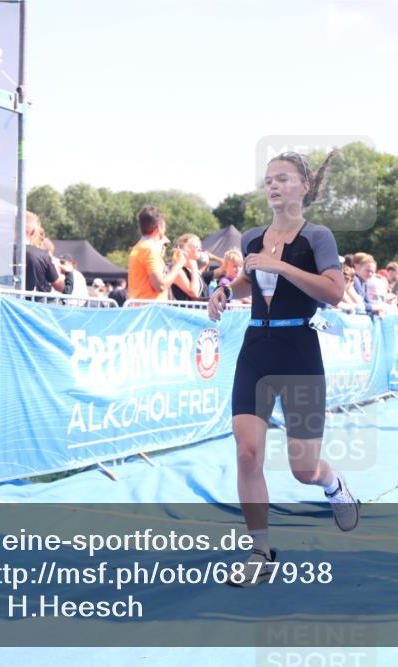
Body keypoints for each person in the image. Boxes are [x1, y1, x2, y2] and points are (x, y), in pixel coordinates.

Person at [206, 151, 357, 587]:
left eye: (283, 178)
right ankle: (260, 552)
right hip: (256, 349)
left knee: (303, 469)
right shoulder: (253, 238)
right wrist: (225, 291)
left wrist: (281, 265)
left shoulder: (318, 237)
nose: (272, 185)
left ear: (304, 187)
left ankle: (332, 484)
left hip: (299, 352)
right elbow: (251, 279)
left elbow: (334, 292)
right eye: (269, 179)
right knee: (246, 452)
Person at [127, 206, 187, 301]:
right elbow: (160, 285)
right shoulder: (149, 250)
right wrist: (178, 265)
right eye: (164, 227)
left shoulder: (139, 247)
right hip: (151, 308)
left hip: (141, 306)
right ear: (159, 227)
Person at [24, 212, 65, 297]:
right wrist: (69, 274)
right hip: (33, 303)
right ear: (33, 232)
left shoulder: (1, 252)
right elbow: (60, 286)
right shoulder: (42, 255)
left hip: (5, 303)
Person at [169, 233, 205, 301]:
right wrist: (194, 268)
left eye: (200, 246)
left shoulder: (190, 269)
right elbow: (193, 293)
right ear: (185, 249)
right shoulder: (178, 269)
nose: (200, 249)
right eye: (196, 246)